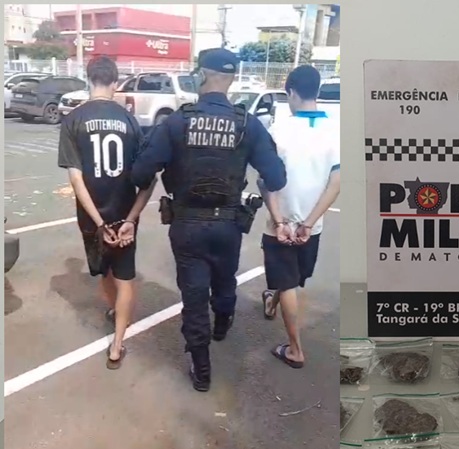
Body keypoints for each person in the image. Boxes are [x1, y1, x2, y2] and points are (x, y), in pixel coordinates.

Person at [130, 48, 287, 392]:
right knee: (225, 278)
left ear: (201, 75)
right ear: (231, 79)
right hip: (229, 224)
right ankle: (223, 322)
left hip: (187, 224)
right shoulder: (247, 123)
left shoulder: (177, 122)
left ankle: (201, 369)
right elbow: (276, 178)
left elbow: (141, 173)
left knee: (194, 295)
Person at [57, 55, 155, 370]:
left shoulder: (73, 119)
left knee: (104, 271)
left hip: (92, 219)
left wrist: (99, 223)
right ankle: (117, 345)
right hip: (124, 215)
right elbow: (147, 177)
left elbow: (76, 179)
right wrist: (130, 218)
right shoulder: (129, 120)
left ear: (89, 79)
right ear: (115, 82)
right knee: (125, 277)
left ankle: (115, 310)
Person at [260, 65, 341, 368]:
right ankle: (272, 303)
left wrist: (280, 221)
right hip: (312, 227)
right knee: (291, 278)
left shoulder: (279, 131)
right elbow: (336, 183)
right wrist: (308, 223)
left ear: (291, 92)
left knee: (287, 283)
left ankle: (295, 349)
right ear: (317, 90)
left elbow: (267, 182)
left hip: (279, 225)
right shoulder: (336, 131)